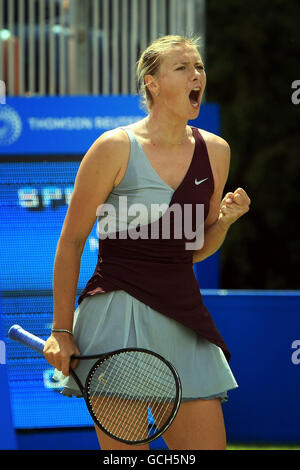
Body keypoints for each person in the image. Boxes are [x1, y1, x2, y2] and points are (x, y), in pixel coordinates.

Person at [43, 35, 251, 450]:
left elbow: (191, 250)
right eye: (182, 68)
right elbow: (70, 242)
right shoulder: (114, 147)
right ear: (152, 83)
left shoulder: (216, 151)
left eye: (199, 67)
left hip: (184, 317)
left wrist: (224, 224)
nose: (197, 75)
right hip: (115, 322)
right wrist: (61, 330)